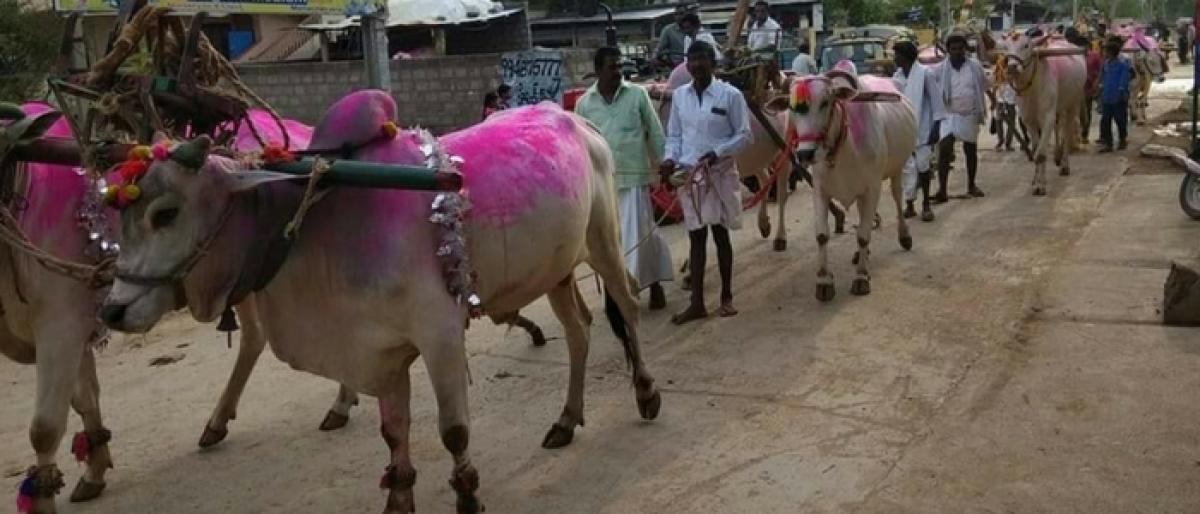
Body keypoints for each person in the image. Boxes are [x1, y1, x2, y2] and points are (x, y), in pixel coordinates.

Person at [574, 47, 674, 310]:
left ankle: (650, 285)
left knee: (639, 236)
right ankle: (621, 292)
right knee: (609, 242)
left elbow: (654, 130)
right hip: (602, 185)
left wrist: (666, 162)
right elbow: (580, 146)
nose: (618, 72)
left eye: (620, 66)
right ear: (597, 71)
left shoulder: (637, 95)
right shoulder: (584, 104)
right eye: (611, 67)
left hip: (635, 178)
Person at [660, 41, 751, 324]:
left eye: (702, 59)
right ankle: (697, 303)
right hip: (691, 177)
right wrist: (668, 159)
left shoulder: (731, 95)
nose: (697, 65)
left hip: (720, 174)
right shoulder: (680, 97)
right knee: (696, 237)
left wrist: (718, 152)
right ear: (687, 64)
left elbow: (745, 135)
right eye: (692, 60)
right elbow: (674, 135)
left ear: (714, 63)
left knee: (721, 236)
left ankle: (726, 297)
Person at [933, 33, 993, 202]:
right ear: (948, 50)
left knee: (970, 151)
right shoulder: (939, 70)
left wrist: (994, 101)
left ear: (965, 50)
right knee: (944, 149)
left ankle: (971, 185)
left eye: (960, 49)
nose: (957, 52)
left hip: (970, 113)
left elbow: (984, 85)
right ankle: (942, 190)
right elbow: (932, 91)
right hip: (949, 114)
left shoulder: (974, 67)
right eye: (953, 49)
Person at [892, 41, 942, 222]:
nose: (894, 58)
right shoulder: (897, 77)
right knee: (907, 169)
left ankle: (926, 204)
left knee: (923, 166)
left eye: (897, 54)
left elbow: (937, 102)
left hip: (924, 128)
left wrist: (936, 128)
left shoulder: (925, 74)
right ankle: (910, 203)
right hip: (904, 130)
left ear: (906, 56)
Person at [1098, 40, 1133, 152]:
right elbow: (1103, 77)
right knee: (1105, 120)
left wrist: (1121, 91)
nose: (1104, 53)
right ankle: (1109, 143)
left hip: (1118, 96)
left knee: (1120, 119)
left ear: (1112, 52)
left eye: (1106, 51)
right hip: (1107, 96)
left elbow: (1124, 80)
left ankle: (1122, 139)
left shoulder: (1122, 65)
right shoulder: (1106, 64)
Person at [1080, 33, 1103, 143]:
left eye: (1082, 45)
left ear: (1087, 46)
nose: (1081, 48)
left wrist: (1096, 83)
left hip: (1088, 87)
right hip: (1075, 88)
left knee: (1086, 111)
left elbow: (1100, 71)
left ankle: (1085, 133)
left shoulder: (1094, 56)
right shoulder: (1075, 56)